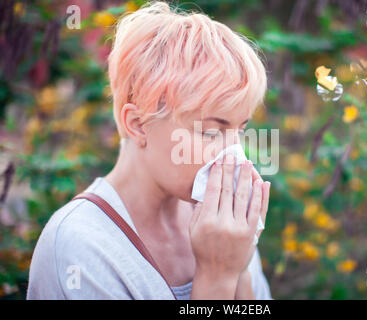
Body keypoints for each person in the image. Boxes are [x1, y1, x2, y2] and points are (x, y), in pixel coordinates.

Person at [27, 1, 272, 300]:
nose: (234, 153)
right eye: (211, 131)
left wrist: (238, 267)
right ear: (139, 124)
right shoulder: (80, 248)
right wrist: (217, 275)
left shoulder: (222, 223)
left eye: (240, 130)